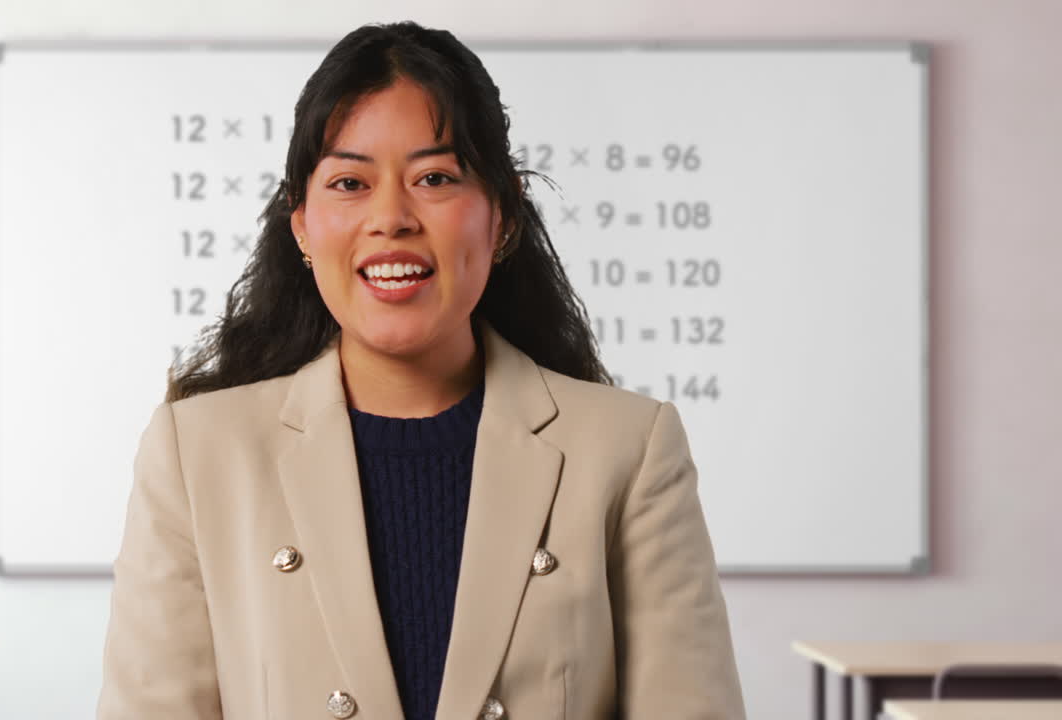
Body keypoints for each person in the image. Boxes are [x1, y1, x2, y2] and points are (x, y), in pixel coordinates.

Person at [97, 20, 746, 720]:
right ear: (302, 227)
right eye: (349, 182)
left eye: (434, 178)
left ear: (502, 217)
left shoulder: (629, 448)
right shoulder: (197, 455)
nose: (390, 217)